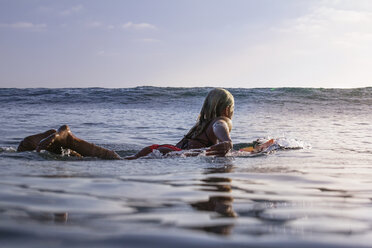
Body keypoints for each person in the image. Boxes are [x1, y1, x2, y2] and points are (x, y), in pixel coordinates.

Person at [17, 88, 235, 160]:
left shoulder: (201, 126)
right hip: (168, 153)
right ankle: (69, 139)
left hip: (164, 150)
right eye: (232, 110)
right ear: (226, 110)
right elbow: (221, 128)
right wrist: (227, 141)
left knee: (115, 159)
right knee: (115, 160)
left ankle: (60, 146)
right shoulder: (220, 121)